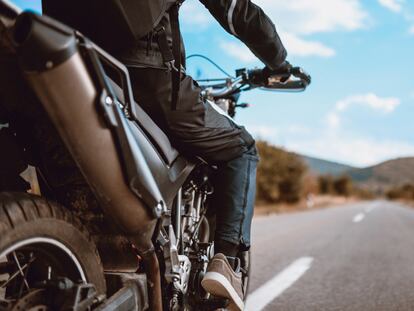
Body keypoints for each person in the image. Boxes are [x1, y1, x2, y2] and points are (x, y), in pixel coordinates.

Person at [42, 0, 289, 309]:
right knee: (242, 148)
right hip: (147, 78)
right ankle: (227, 261)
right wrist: (279, 63)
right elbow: (237, 11)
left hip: (70, 64)